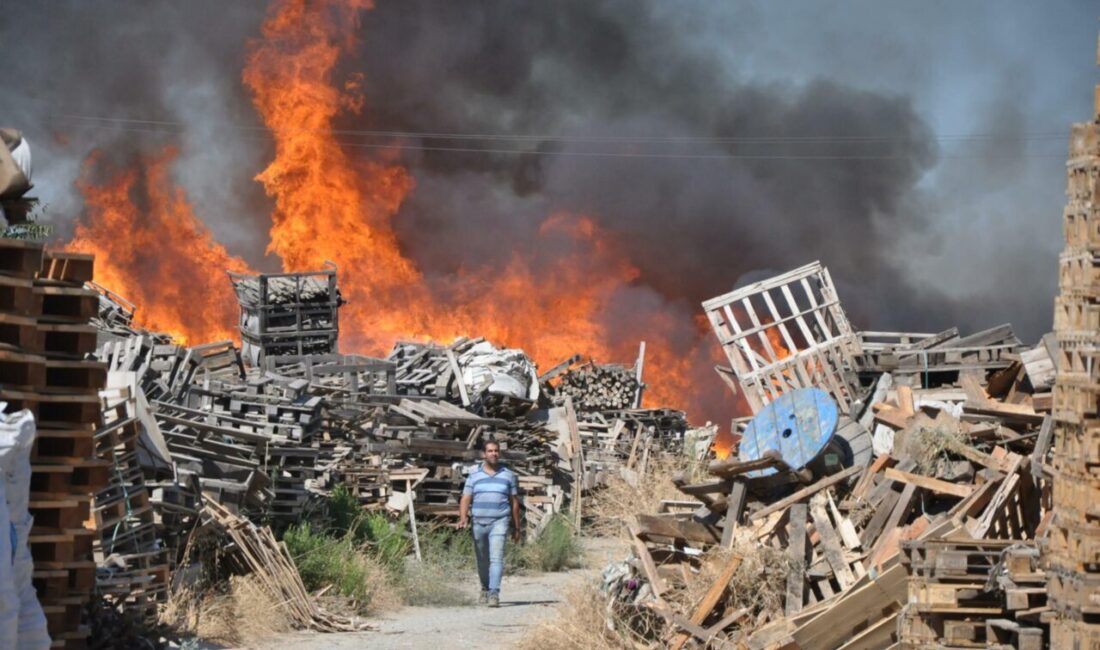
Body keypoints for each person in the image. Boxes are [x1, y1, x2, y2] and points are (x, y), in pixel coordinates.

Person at [457, 439, 521, 607]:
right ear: (484, 454)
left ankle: (494, 593)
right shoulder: (474, 475)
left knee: (496, 558)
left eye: (496, 451)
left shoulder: (508, 475)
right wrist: (463, 518)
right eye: (490, 451)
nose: (494, 454)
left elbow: (514, 502)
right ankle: (485, 588)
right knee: (482, 559)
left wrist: (517, 527)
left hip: (500, 521)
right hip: (478, 522)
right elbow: (466, 498)